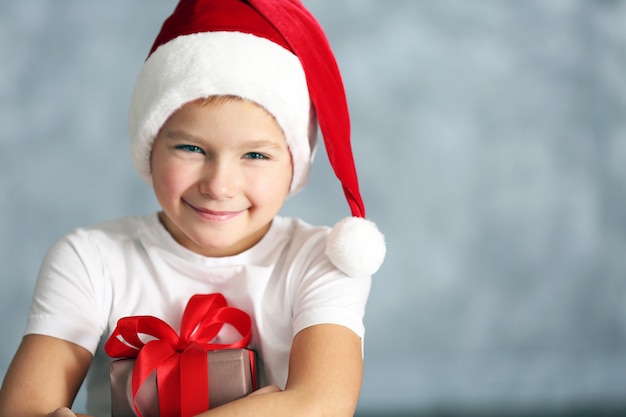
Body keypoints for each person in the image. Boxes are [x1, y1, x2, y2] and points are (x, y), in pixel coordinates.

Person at [0, 0, 385, 416]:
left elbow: (322, 404)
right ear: (149, 149)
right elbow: (25, 407)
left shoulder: (320, 261)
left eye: (255, 156)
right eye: (191, 148)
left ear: (294, 165)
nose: (219, 185)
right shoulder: (90, 258)